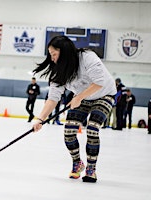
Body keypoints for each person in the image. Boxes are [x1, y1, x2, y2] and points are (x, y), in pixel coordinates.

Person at [32, 36, 116, 183]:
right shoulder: (59, 71)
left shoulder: (87, 57)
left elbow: (99, 82)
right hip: (81, 98)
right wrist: (41, 118)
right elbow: (53, 97)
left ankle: (91, 168)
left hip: (104, 94)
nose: (52, 59)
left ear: (64, 52)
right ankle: (77, 163)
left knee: (92, 128)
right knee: (69, 131)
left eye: (54, 54)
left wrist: (79, 97)